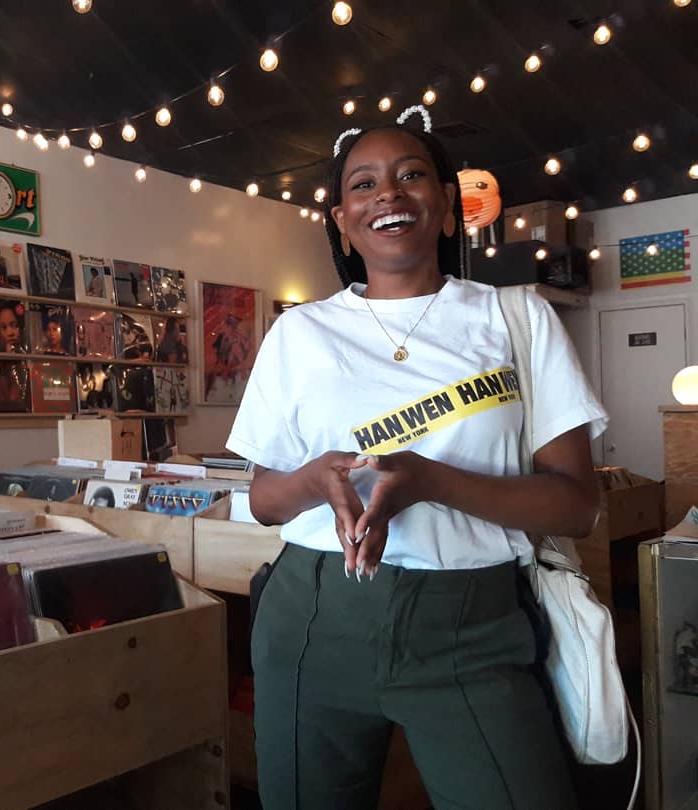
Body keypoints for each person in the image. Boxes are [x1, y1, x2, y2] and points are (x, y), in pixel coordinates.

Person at [226, 106, 607, 810]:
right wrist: (315, 479)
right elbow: (263, 501)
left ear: (449, 206)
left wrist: (429, 480)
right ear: (342, 221)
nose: (388, 194)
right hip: (313, 618)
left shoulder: (517, 319)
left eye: (411, 176)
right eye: (364, 184)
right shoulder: (299, 333)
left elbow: (577, 505)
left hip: (472, 625)